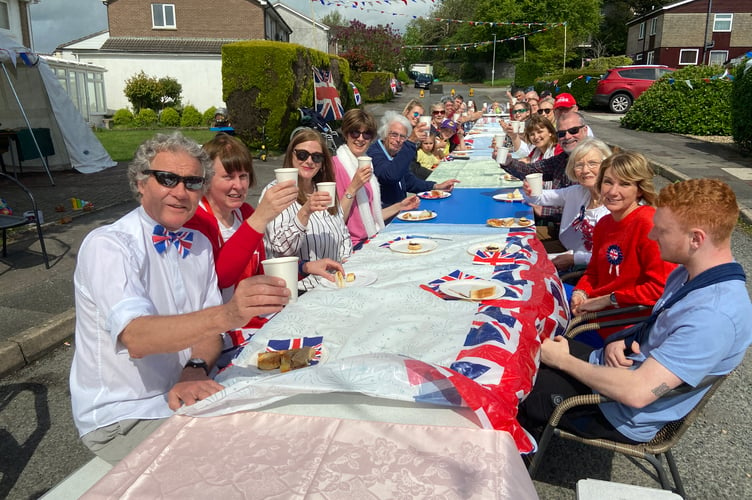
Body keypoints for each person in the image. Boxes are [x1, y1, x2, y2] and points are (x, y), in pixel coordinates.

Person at [70, 132, 291, 464]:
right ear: (141, 183)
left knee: (283, 422)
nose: (180, 191)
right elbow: (137, 337)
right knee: (243, 460)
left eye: (191, 182)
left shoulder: (197, 245)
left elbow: (208, 336)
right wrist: (229, 314)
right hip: (125, 415)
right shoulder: (110, 245)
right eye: (168, 178)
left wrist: (195, 367)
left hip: (184, 395)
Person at [518, 178, 752, 446]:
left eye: (662, 231)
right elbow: (664, 322)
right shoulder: (692, 273)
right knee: (523, 347)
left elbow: (638, 393)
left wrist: (563, 362)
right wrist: (628, 338)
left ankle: (514, 465)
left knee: (510, 385)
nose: (652, 236)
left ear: (696, 239)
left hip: (617, 411)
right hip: (613, 371)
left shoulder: (713, 317)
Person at [185, 133, 342, 360]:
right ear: (207, 179)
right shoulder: (197, 221)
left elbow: (260, 271)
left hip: (258, 320)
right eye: (228, 177)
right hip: (216, 338)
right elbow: (221, 278)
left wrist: (305, 267)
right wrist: (260, 219)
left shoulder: (243, 213)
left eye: (244, 176)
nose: (238, 186)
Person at [571, 151, 677, 332]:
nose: (613, 192)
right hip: (594, 308)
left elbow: (662, 288)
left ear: (640, 190)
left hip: (623, 322)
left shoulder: (649, 224)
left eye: (625, 184)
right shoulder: (604, 223)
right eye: (608, 182)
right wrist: (580, 292)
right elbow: (594, 272)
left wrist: (609, 299)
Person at [263, 128, 353, 290]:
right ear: (291, 155)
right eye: (302, 155)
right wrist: (305, 212)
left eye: (317, 157)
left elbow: (343, 233)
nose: (309, 161)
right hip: (298, 288)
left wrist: (347, 261)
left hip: (333, 283)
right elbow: (282, 249)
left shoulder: (324, 189)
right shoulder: (275, 192)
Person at [332, 109, 420, 248]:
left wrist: (400, 206)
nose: (360, 139)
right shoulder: (334, 167)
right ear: (345, 133)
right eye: (355, 132)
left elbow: (371, 217)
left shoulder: (366, 163)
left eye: (366, 134)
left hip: (370, 238)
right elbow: (334, 221)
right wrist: (353, 187)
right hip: (351, 246)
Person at [523, 139, 612, 272]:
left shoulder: (614, 206)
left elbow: (610, 256)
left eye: (592, 163)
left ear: (606, 166)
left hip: (589, 270)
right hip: (568, 253)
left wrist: (574, 259)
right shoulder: (578, 192)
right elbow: (540, 198)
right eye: (579, 165)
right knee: (522, 252)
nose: (585, 170)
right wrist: (530, 190)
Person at [368, 111, 458, 208]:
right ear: (384, 134)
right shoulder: (374, 154)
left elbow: (408, 180)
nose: (398, 140)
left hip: (400, 210)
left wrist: (436, 186)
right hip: (384, 214)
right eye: (394, 135)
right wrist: (411, 142)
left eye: (403, 137)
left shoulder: (395, 152)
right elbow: (390, 176)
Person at [499, 111, 591, 190]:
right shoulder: (559, 159)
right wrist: (507, 161)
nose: (567, 136)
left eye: (573, 130)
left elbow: (568, 198)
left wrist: (543, 203)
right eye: (562, 133)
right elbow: (530, 170)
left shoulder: (559, 151)